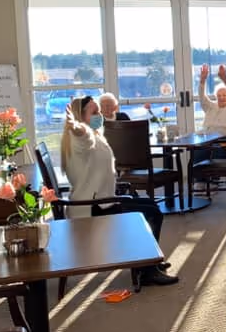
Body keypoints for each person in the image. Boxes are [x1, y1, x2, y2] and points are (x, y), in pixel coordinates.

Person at [61, 96, 178, 286]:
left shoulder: (95, 134)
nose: (100, 115)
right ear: (80, 118)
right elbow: (80, 134)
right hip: (93, 207)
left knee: (151, 206)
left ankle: (149, 262)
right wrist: (76, 125)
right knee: (152, 213)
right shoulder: (81, 139)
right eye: (94, 112)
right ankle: (147, 270)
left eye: (99, 111)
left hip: (105, 199)